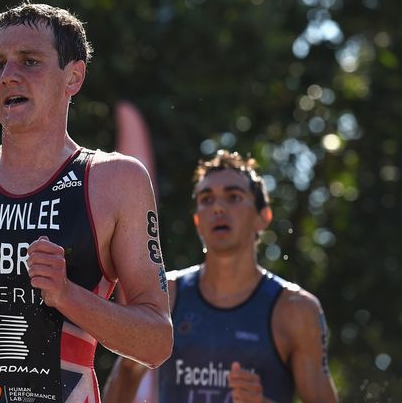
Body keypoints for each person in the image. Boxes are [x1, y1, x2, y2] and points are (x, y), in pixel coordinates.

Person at [0, 1, 173, 402]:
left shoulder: (115, 179)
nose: (7, 77)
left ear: (73, 77)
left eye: (29, 61)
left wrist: (68, 295)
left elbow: (156, 342)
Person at [102, 150, 339, 403]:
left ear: (263, 217)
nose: (217, 208)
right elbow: (127, 372)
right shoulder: (166, 295)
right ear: (196, 220)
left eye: (234, 197)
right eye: (206, 199)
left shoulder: (296, 310)